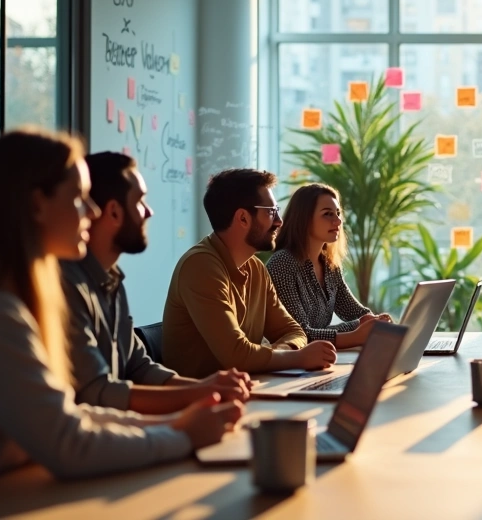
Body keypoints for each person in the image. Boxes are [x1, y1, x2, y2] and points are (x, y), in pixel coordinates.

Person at [0, 129, 241, 510]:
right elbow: (68, 443)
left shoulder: (10, 303)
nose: (91, 212)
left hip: (2, 494)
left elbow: (72, 416)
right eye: (79, 198)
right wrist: (183, 437)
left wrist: (176, 424)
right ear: (37, 205)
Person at [61, 152, 252, 414]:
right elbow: (97, 393)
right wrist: (199, 396)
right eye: (140, 201)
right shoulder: (67, 286)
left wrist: (208, 389)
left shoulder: (112, 280)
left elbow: (139, 367)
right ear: (114, 211)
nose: (149, 211)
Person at [161, 169, 337, 378]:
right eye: (271, 212)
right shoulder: (200, 266)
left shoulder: (256, 268)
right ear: (243, 218)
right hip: (200, 395)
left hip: (248, 387)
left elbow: (294, 332)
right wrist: (298, 357)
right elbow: (237, 356)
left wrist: (278, 353)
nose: (279, 221)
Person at [266, 183, 392, 350]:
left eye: (338, 213)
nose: (338, 221)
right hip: (286, 361)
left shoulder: (330, 266)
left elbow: (356, 313)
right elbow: (300, 335)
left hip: (318, 358)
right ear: (304, 219)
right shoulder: (282, 264)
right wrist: (356, 332)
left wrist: (375, 321)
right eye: (327, 214)